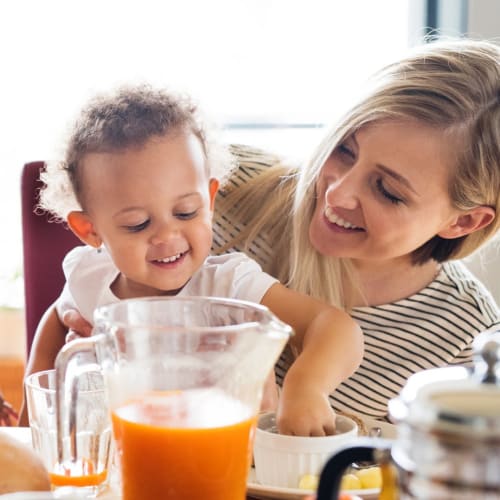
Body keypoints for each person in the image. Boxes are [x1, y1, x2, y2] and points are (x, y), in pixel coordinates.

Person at [55, 38, 500, 422]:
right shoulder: (219, 193)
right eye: (344, 148)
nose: (337, 194)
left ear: (463, 221)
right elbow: (102, 199)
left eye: (387, 190)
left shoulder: (469, 336)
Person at [20, 85, 363, 434]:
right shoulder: (90, 273)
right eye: (137, 224)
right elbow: (57, 318)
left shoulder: (229, 285)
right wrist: (31, 414)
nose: (168, 237)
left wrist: (306, 387)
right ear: (90, 230)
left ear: (210, 201)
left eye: (186, 212)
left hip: (219, 462)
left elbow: (336, 328)